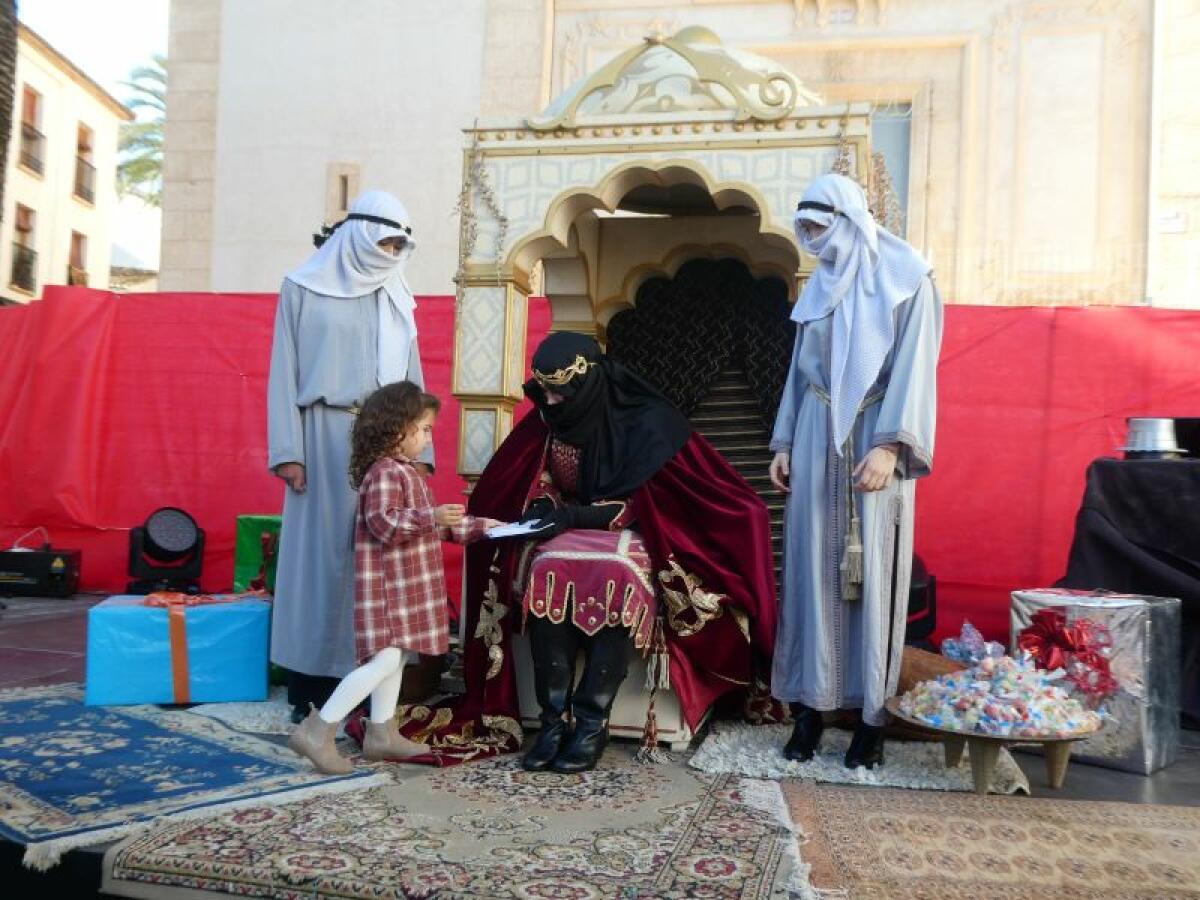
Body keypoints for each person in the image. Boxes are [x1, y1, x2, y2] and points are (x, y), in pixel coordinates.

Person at [389, 333, 778, 771]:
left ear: (588, 383)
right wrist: (541, 504)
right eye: (546, 393)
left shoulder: (648, 420)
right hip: (563, 533)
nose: (551, 403)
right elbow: (533, 476)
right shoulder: (548, 419)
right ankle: (553, 722)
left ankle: (592, 723)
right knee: (547, 567)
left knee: (613, 573)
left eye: (560, 393)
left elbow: (657, 503)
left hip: (636, 533)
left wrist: (577, 517)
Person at [768, 172, 943, 770]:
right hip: (817, 438)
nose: (814, 242)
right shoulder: (818, 288)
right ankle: (810, 711)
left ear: (847, 220)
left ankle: (871, 719)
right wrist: (786, 440)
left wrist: (892, 447)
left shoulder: (908, 280)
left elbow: (916, 371)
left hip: (873, 437)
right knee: (812, 574)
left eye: (821, 228)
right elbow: (799, 371)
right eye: (806, 231)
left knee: (872, 578)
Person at [267, 190, 434, 723]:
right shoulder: (301, 288)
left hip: (385, 440)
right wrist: (289, 451)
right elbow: (282, 373)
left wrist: (420, 451)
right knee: (322, 561)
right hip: (321, 435)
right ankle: (309, 686)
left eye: (398, 244)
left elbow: (411, 380)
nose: (391, 252)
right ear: (359, 234)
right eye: (385, 240)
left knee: (378, 561)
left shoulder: (396, 295)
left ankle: (366, 689)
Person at [288, 381, 496, 774]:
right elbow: (383, 523)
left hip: (408, 588)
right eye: (424, 429)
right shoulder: (385, 472)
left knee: (396, 658)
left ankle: (381, 733)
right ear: (396, 428)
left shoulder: (407, 473)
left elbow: (436, 528)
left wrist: (489, 527)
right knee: (384, 660)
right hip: (388, 590)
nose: (428, 437)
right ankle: (318, 728)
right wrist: (431, 518)